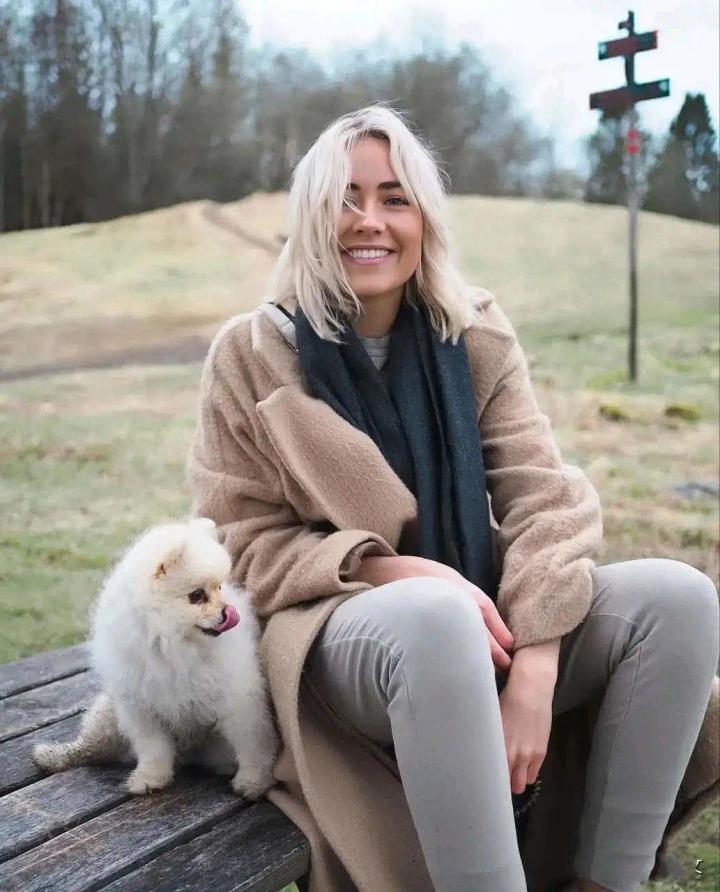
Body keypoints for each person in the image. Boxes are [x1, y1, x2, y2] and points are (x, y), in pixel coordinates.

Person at [186, 103, 720, 892]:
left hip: (487, 622)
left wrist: (537, 665)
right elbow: (236, 545)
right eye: (344, 198)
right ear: (310, 218)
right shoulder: (252, 353)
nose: (369, 221)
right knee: (438, 619)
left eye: (394, 198)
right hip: (337, 642)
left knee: (678, 597)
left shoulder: (473, 332)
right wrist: (392, 570)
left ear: (425, 219)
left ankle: (605, 882)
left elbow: (547, 498)